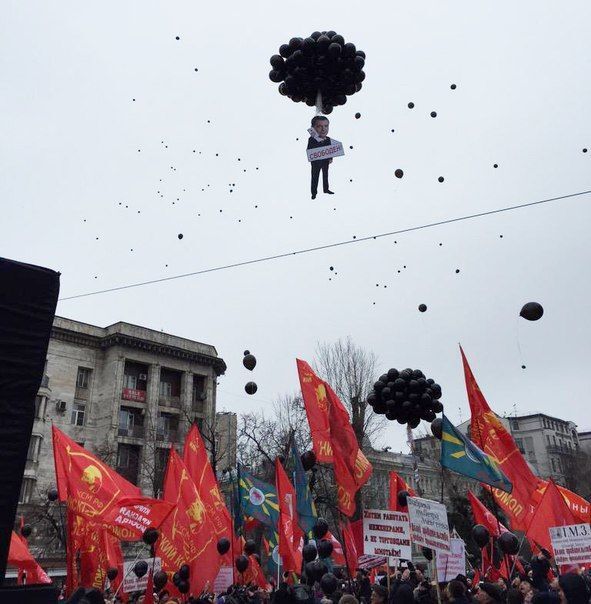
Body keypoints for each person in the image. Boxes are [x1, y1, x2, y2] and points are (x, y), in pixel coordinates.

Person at [307, 116, 335, 199]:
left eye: (326, 126)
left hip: (325, 161)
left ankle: (326, 189)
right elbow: (309, 150)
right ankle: (314, 193)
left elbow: (330, 150)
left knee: (325, 175)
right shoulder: (312, 139)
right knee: (315, 176)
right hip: (316, 162)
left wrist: (330, 158)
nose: (323, 129)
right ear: (313, 128)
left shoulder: (328, 139)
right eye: (319, 126)